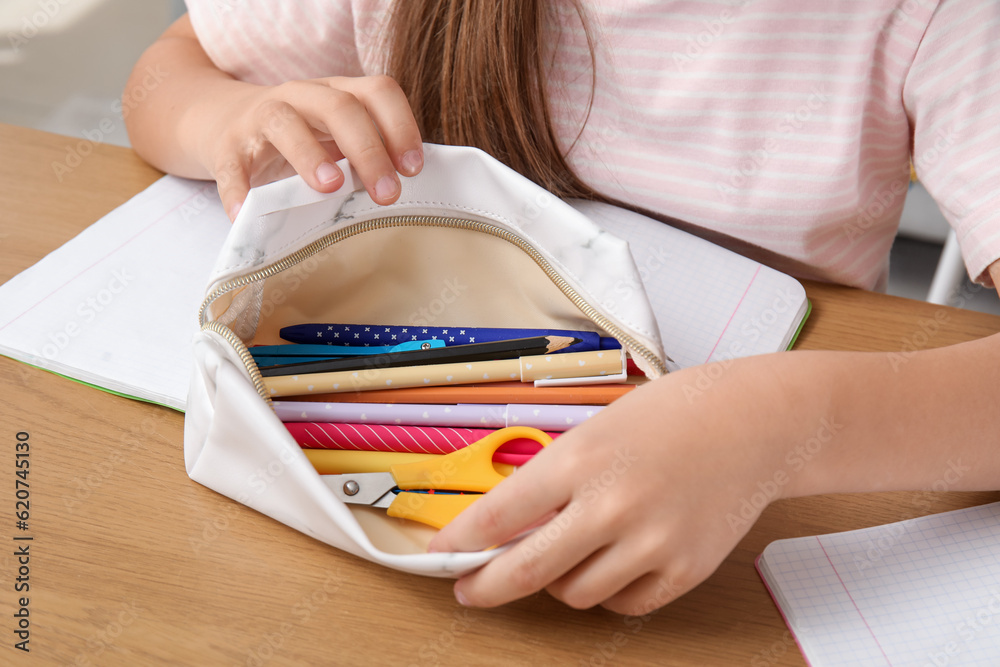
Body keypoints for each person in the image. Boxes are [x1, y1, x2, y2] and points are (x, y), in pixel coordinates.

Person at [125, 1, 1000, 616]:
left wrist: (782, 424)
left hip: (732, 558)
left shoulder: (940, 22)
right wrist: (232, 119)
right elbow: (166, 74)